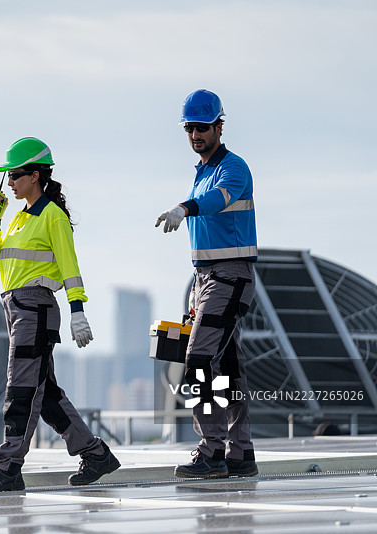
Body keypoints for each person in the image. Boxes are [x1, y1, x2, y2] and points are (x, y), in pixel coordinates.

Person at [0, 136, 120, 492]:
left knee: (20, 389)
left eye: (15, 175)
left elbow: (70, 267)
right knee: (45, 393)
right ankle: (96, 454)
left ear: (35, 175)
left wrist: (78, 310)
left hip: (35, 307)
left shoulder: (53, 216)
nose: (9, 182)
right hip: (16, 307)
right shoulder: (19, 217)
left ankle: (8, 467)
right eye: (8, 176)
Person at [155, 89, 258, 479]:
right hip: (208, 279)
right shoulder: (200, 174)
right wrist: (198, 293)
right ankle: (240, 453)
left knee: (197, 360)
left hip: (230, 276)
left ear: (219, 126)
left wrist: (185, 207)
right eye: (189, 129)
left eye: (202, 127)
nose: (195, 135)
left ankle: (211, 450)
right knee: (228, 365)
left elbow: (219, 199)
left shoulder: (233, 168)